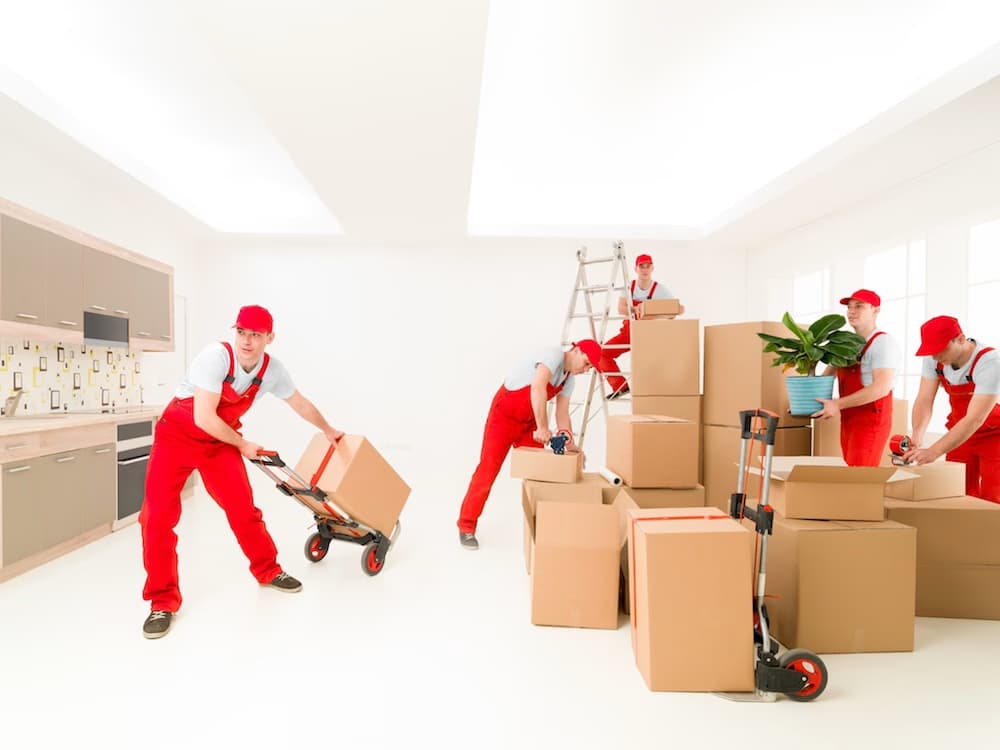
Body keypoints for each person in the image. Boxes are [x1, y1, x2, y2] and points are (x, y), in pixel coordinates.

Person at [139, 305, 344, 639]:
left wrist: (328, 429)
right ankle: (162, 601)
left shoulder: (272, 371)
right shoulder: (215, 358)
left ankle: (268, 570)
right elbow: (203, 417)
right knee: (156, 518)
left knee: (242, 509)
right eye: (242, 332)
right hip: (177, 438)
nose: (247, 341)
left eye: (256, 335)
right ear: (234, 332)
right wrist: (243, 444)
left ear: (269, 338)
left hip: (218, 445)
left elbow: (299, 402)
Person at [456, 340, 602, 549]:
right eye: (586, 363)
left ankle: (542, 527)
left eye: (589, 368)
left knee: (539, 474)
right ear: (576, 350)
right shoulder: (553, 355)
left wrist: (570, 441)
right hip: (504, 417)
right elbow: (538, 387)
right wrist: (543, 427)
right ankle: (466, 526)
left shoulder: (569, 381)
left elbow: (562, 414)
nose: (585, 370)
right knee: (488, 470)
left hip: (529, 424)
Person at [902, 315, 1000, 504]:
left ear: (961, 339)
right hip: (959, 434)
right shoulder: (934, 358)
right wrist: (917, 436)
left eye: (940, 349)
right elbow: (924, 399)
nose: (934, 356)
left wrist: (934, 451)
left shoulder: (990, 362)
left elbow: (974, 419)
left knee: (993, 499)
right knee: (957, 495)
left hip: (994, 437)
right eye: (930, 351)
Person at [813, 289, 901, 466]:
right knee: (851, 474)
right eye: (849, 307)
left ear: (875, 310)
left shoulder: (882, 342)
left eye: (859, 306)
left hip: (870, 419)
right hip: (849, 417)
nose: (851, 311)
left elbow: (881, 388)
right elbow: (827, 376)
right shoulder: (846, 344)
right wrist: (806, 402)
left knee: (860, 476)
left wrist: (837, 404)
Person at [598, 253, 683, 399]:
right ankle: (620, 386)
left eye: (648, 266)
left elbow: (679, 309)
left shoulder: (660, 289)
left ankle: (660, 393)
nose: (645, 269)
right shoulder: (629, 287)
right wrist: (634, 309)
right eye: (641, 266)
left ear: (652, 268)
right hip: (629, 332)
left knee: (653, 366)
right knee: (602, 354)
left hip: (650, 335)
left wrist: (655, 314)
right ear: (636, 269)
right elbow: (620, 308)